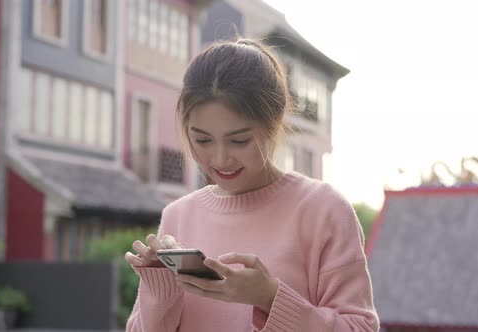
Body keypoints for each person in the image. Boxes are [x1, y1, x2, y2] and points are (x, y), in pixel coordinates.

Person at [124, 39, 380, 332]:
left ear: (274, 121)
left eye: (239, 140)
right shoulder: (178, 215)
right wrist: (160, 288)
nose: (220, 158)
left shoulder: (323, 209)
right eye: (203, 140)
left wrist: (270, 298)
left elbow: (359, 327)